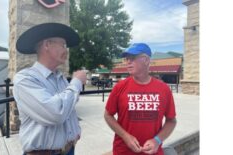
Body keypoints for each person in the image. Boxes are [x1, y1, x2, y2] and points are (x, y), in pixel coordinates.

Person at [13, 23, 87, 155]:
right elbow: (56, 113)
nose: (66, 50)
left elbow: (69, 110)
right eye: (63, 45)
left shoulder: (60, 78)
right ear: (47, 44)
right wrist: (76, 82)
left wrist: (75, 131)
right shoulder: (24, 79)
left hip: (69, 150)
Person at [104, 43, 177, 155]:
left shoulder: (164, 89)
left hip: (153, 152)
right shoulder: (119, 87)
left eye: (132, 58)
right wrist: (125, 136)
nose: (128, 62)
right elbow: (108, 115)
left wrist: (157, 140)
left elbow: (171, 121)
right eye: (127, 59)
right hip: (123, 151)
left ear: (146, 60)